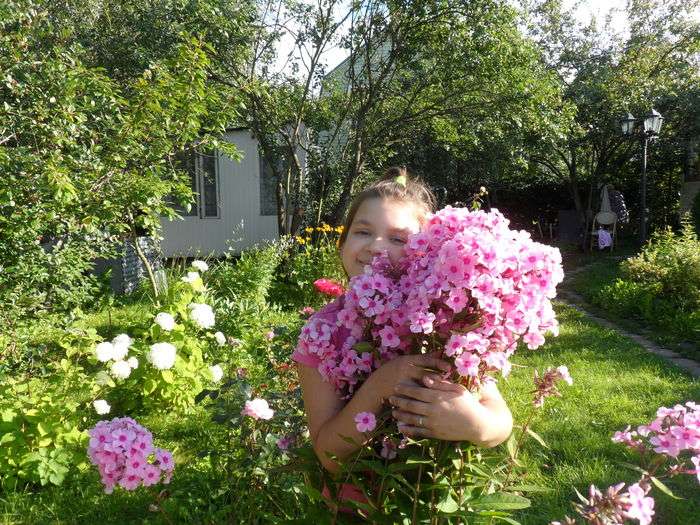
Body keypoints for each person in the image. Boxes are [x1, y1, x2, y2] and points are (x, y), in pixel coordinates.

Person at [293, 167, 514, 476]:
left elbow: (500, 421)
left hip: (435, 501)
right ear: (341, 244)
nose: (376, 247)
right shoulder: (322, 333)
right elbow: (328, 455)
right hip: (355, 507)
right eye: (363, 232)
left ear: (427, 253)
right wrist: (381, 384)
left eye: (398, 238)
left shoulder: (443, 322)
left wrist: (476, 426)